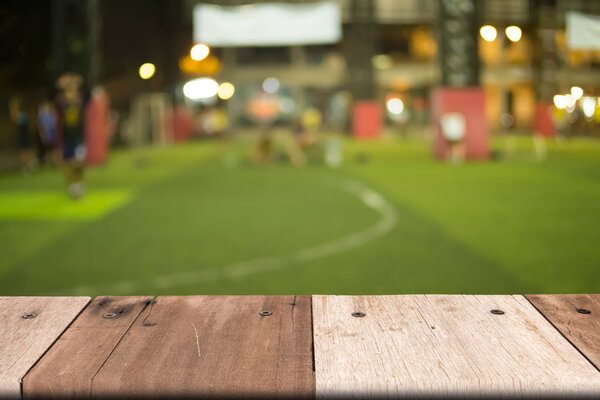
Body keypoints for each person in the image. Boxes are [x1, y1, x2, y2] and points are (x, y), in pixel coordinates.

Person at [55, 72, 88, 199]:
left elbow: (87, 90)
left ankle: (79, 184)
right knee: (68, 163)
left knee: (78, 163)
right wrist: (63, 83)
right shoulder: (61, 103)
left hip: (79, 138)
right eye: (68, 90)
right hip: (66, 138)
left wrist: (76, 81)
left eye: (72, 90)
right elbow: (55, 94)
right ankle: (72, 186)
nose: (70, 93)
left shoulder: (81, 101)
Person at [9, 96, 37, 173]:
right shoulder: (19, 115)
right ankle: (28, 165)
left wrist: (12, 108)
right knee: (23, 151)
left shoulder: (23, 115)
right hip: (21, 135)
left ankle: (31, 163)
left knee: (25, 151)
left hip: (24, 135)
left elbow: (16, 119)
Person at [37, 97, 58, 166]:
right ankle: (48, 163)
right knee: (47, 150)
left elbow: (56, 123)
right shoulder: (41, 116)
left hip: (53, 133)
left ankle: (54, 162)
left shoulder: (53, 113)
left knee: (53, 149)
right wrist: (42, 135)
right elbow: (40, 126)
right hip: (46, 134)